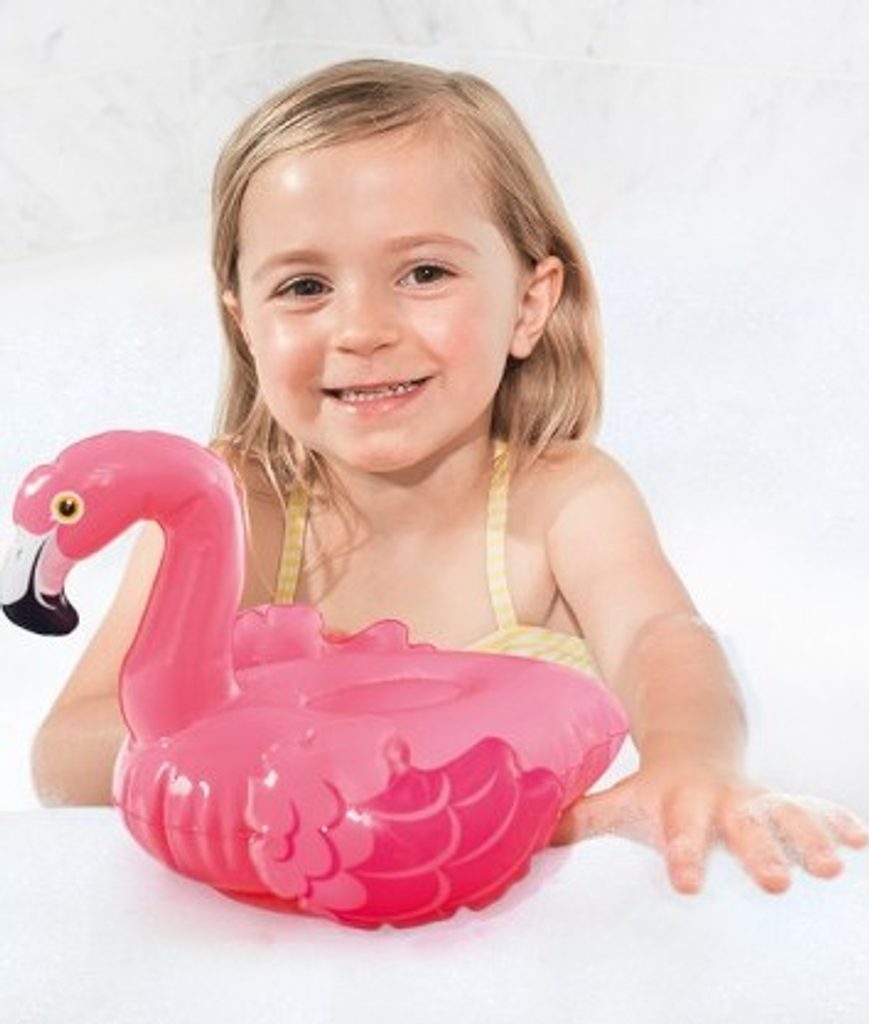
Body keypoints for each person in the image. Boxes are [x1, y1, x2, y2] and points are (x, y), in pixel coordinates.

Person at [31, 57, 867, 896]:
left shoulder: (563, 501)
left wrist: (690, 762)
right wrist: (253, 741)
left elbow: (662, 639)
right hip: (288, 931)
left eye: (424, 273)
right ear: (246, 323)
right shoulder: (236, 507)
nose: (361, 329)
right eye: (305, 286)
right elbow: (64, 755)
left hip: (522, 934)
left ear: (529, 304)